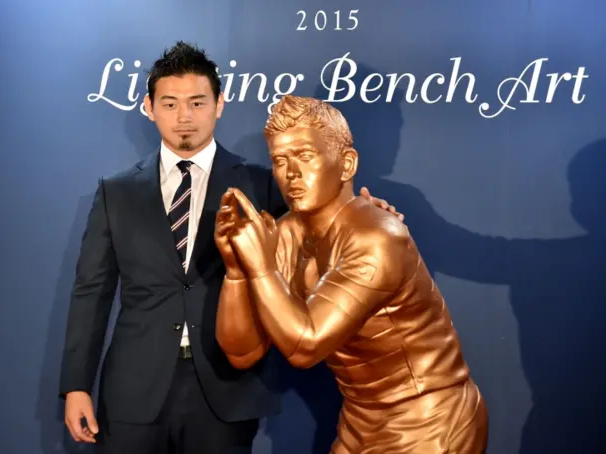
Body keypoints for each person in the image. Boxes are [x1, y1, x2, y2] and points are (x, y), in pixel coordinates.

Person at [59, 42, 402, 454]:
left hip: (227, 390)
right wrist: (77, 385)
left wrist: (368, 210)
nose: (184, 117)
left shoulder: (264, 184)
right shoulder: (115, 192)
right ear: (149, 108)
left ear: (219, 105)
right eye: (169, 104)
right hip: (134, 388)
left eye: (197, 102)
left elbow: (325, 221)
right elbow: (91, 292)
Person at [215, 94, 489, 453]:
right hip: (361, 421)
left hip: (429, 419)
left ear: (346, 164)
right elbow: (242, 353)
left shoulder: (379, 237)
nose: (291, 173)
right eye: (280, 160)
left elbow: (304, 346)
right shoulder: (286, 232)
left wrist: (261, 267)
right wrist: (237, 271)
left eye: (305, 156)